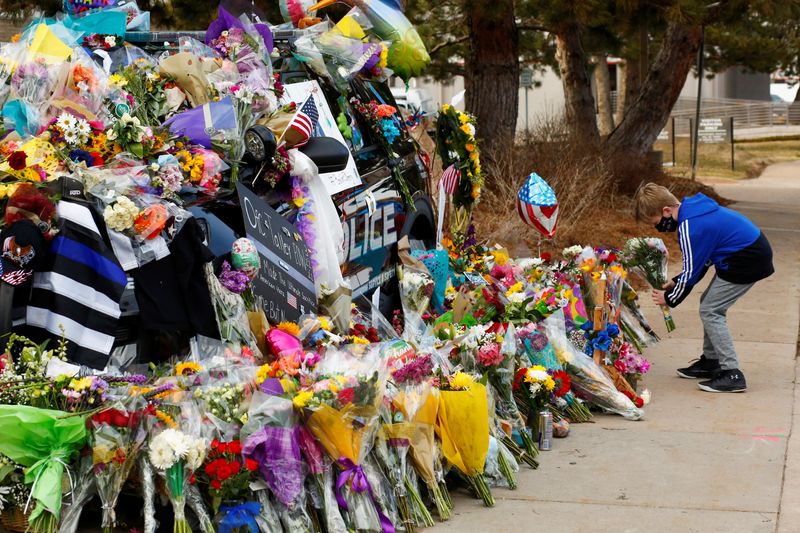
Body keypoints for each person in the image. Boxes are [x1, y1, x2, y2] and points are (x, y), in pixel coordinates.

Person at [633, 183, 774, 393]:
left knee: (711, 310)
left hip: (747, 259)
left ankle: (732, 374)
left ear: (666, 211)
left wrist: (670, 298)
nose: (658, 228)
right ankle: (711, 361)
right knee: (708, 304)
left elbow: (691, 273)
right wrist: (676, 281)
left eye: (655, 222)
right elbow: (700, 262)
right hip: (744, 254)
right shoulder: (693, 211)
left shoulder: (690, 226)